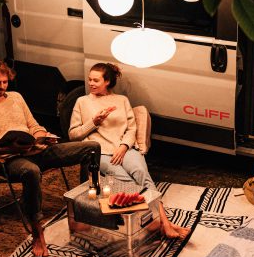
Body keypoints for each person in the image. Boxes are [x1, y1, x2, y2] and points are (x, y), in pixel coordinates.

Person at [0, 59, 100, 257]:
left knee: (92, 148)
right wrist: (8, 148)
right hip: (7, 160)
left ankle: (86, 205)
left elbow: (33, 125)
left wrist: (42, 136)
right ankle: (38, 231)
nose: (2, 87)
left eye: (5, 82)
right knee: (31, 171)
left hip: (35, 150)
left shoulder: (16, 98)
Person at [68, 62, 190, 239]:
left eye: (96, 80)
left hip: (124, 149)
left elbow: (131, 129)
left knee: (141, 173)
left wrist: (124, 147)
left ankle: (163, 223)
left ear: (107, 81)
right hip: (100, 152)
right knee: (126, 180)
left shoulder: (122, 100)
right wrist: (93, 122)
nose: (91, 83)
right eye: (90, 80)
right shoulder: (82, 102)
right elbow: (73, 134)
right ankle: (162, 223)